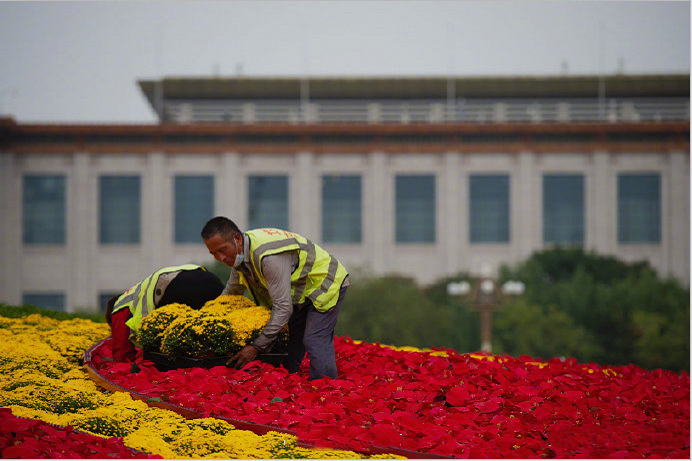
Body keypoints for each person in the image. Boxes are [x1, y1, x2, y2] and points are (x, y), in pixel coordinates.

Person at [201, 217, 349, 380]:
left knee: (314, 338)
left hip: (325, 283)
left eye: (222, 250)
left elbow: (283, 308)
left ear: (237, 239)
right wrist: (206, 321)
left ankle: (325, 389)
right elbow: (231, 292)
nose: (220, 258)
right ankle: (286, 380)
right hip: (300, 291)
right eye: (214, 254)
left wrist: (256, 347)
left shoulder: (269, 257)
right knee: (289, 337)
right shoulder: (241, 254)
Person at [105, 264, 224, 362]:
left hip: (178, 286)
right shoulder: (136, 293)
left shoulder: (119, 307)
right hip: (212, 280)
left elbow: (122, 353)